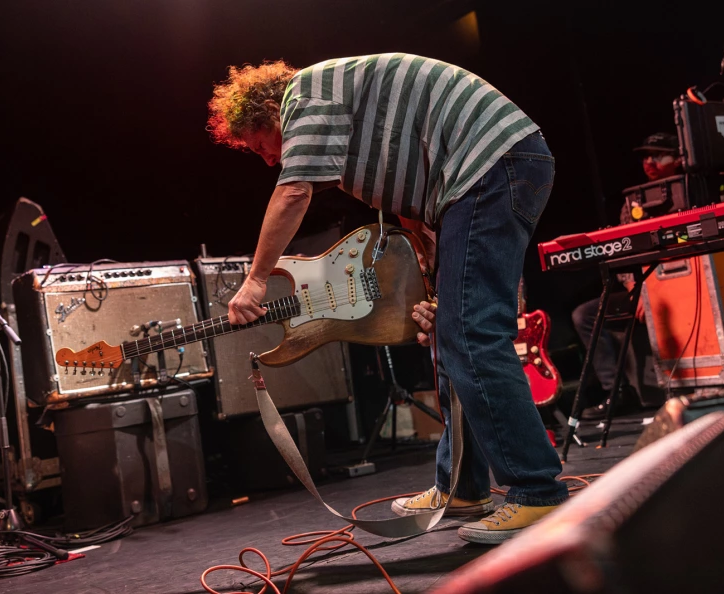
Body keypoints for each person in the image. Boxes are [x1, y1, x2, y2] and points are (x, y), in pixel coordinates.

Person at [207, 54, 568, 544]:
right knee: (451, 333)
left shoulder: (306, 95)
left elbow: (293, 192)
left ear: (269, 112)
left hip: (490, 164)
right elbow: (406, 196)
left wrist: (255, 280)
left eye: (259, 147)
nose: (269, 159)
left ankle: (536, 492)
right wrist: (431, 268)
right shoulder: (345, 119)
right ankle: (461, 486)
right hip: (485, 173)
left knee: (472, 333)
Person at [571, 132, 681, 419]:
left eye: (658, 156)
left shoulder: (690, 193)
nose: (650, 162)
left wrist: (653, 293)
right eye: (646, 156)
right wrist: (638, 289)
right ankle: (618, 390)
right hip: (643, 291)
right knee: (584, 315)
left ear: (679, 159)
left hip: (680, 290)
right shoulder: (634, 203)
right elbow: (622, 256)